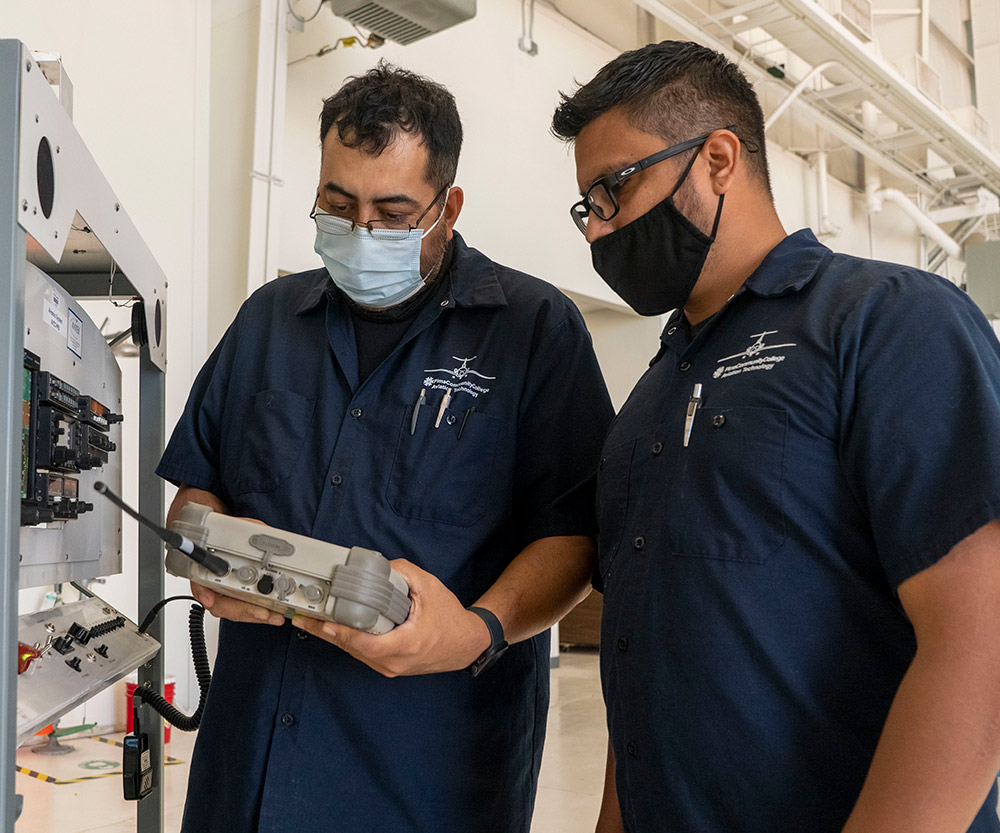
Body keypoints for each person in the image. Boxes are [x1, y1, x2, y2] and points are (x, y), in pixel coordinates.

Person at [551, 40, 1000, 833]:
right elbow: (645, 659)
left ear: (719, 158)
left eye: (615, 190)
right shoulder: (650, 400)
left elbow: (983, 638)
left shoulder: (887, 322)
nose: (600, 231)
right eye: (590, 206)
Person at [158, 62, 613, 833]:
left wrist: (478, 628)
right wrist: (209, 557)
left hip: (427, 772)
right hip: (251, 763)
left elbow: (574, 536)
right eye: (338, 204)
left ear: (448, 206)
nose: (361, 230)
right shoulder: (269, 321)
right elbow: (198, 488)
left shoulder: (534, 330)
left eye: (393, 211)